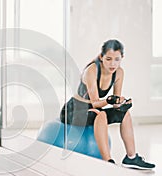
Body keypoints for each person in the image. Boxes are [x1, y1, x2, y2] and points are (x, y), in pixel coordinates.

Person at [60, 39, 155, 169]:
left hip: (95, 109)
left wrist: (121, 104)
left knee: (125, 114)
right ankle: (107, 162)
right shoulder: (92, 70)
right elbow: (95, 103)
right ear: (101, 57)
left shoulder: (119, 73)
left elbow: (114, 101)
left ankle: (131, 157)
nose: (113, 64)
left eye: (117, 59)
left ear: (122, 58)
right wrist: (109, 100)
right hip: (74, 110)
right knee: (100, 114)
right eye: (108, 59)